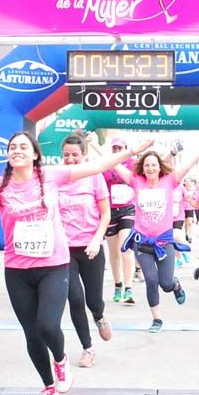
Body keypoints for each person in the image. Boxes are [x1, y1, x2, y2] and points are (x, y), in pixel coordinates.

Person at [0, 132, 152, 395]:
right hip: (17, 269)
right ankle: (48, 386)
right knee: (32, 334)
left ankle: (60, 359)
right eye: (12, 146)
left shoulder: (50, 175)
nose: (16, 150)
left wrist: (131, 152)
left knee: (47, 325)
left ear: (34, 155)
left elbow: (97, 168)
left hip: (53, 265)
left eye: (23, 146)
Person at [109, 133, 199, 333]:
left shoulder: (170, 180)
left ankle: (175, 286)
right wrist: (96, 148)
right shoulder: (136, 181)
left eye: (154, 165)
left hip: (163, 242)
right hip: (142, 242)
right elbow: (113, 164)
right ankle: (157, 320)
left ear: (160, 167)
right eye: (147, 165)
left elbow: (187, 166)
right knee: (151, 281)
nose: (150, 168)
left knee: (165, 283)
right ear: (142, 168)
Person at [57, 133, 113, 368]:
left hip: (91, 247)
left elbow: (106, 213)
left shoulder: (94, 177)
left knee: (93, 300)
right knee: (75, 298)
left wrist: (96, 240)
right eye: (66, 155)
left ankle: (99, 315)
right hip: (64, 249)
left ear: (84, 155)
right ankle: (87, 348)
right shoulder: (57, 178)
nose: (70, 159)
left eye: (75, 155)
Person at [100, 137, 138, 305]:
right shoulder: (105, 164)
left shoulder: (133, 163)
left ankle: (129, 288)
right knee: (114, 252)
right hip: (110, 210)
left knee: (125, 248)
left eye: (120, 148)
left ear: (126, 148)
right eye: (114, 148)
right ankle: (118, 285)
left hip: (128, 208)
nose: (117, 151)